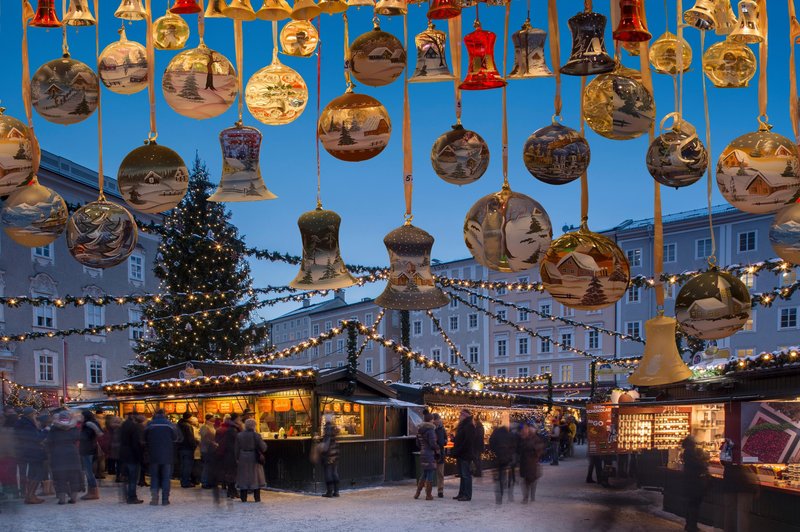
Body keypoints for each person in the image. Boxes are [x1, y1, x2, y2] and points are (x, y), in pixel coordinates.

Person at [145, 409, 182, 506]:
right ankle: (165, 499)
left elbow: (144, 438)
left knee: (154, 477)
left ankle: (154, 498)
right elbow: (176, 438)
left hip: (153, 455)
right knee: (166, 478)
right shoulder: (170, 425)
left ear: (155, 414)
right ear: (164, 414)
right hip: (167, 455)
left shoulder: (150, 425)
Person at [47, 410, 84, 504]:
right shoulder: (73, 428)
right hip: (72, 453)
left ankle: (62, 499)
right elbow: (78, 437)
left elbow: (49, 440)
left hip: (58, 453)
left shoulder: (54, 428)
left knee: (60, 476)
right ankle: (73, 498)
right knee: (74, 476)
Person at [15, 407, 46, 504]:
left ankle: (30, 496)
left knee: (32, 474)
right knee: (38, 474)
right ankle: (31, 496)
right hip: (33, 452)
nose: (36, 416)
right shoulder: (28, 424)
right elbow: (36, 438)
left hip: (28, 452)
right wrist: (46, 431)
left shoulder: (23, 423)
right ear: (31, 414)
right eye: (35, 414)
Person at [682, 436, 709, 532]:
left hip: (691, 482)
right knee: (694, 504)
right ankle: (692, 526)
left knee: (691, 504)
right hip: (695, 483)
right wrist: (704, 462)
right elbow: (699, 465)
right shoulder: (690, 453)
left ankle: (689, 524)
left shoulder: (687, 453)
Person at [235, 418, 267, 502]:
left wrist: (237, 458)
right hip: (254, 457)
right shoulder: (256, 435)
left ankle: (243, 497)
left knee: (243, 477)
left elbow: (236, 449)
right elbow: (263, 448)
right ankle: (257, 497)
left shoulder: (239, 435)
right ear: (253, 426)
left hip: (242, 457)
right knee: (255, 477)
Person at [118, 412, 145, 504]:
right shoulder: (134, 427)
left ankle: (125, 496)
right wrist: (139, 456)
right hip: (132, 455)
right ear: (134, 416)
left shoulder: (123, 425)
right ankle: (132, 497)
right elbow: (135, 443)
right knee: (133, 478)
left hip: (124, 454)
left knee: (126, 476)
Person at [215, 412, 242, 499]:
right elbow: (235, 442)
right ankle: (231, 491)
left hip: (229, 453)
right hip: (231, 454)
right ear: (235, 419)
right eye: (239, 419)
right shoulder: (232, 429)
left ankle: (232, 491)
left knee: (231, 473)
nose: (240, 420)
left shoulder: (232, 428)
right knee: (232, 473)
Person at [450, 409, 476, 502]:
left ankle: (467, 495)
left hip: (465, 454)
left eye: (460, 415)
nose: (459, 416)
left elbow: (468, 441)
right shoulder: (463, 425)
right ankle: (461, 493)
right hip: (461, 453)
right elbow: (461, 438)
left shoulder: (469, 426)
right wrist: (455, 439)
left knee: (466, 475)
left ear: (464, 416)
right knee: (462, 475)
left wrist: (459, 449)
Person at [413, 412, 439, 501]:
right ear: (431, 420)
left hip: (423, 453)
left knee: (424, 473)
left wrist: (423, 448)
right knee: (430, 473)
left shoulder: (420, 430)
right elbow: (432, 444)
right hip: (429, 454)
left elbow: (417, 443)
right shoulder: (430, 430)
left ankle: (417, 493)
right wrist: (437, 447)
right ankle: (428, 495)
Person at [488, 423, 516, 504]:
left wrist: (495, 452)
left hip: (497, 459)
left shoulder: (495, 433)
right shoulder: (509, 434)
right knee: (503, 476)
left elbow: (491, 443)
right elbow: (513, 446)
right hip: (506, 459)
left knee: (497, 478)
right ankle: (503, 488)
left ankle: (499, 496)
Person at [79, 410, 102, 500]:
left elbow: (86, 437)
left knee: (89, 472)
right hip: (90, 449)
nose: (80, 417)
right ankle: (91, 492)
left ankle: (93, 493)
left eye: (81, 416)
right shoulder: (92, 423)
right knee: (89, 471)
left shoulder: (88, 424)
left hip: (88, 450)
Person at [518, 423, 545, 503]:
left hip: (532, 463)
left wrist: (534, 451)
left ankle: (529, 497)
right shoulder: (523, 438)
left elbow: (539, 449)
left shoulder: (534, 439)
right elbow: (519, 449)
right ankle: (526, 497)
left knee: (531, 480)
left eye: (526, 429)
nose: (525, 430)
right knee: (525, 481)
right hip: (524, 463)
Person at [320, 414, 340, 498]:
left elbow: (327, 441)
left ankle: (329, 492)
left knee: (328, 473)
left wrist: (323, 447)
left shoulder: (327, 428)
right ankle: (336, 492)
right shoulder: (334, 427)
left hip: (329, 454)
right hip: (335, 453)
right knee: (335, 472)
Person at [177, 412, 197, 488]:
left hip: (180, 448)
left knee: (183, 465)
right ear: (189, 418)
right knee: (187, 466)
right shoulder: (188, 426)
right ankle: (185, 482)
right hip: (187, 448)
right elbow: (190, 438)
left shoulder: (179, 424)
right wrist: (194, 445)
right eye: (192, 417)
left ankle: (183, 481)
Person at [98, 415, 121, 483]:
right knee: (116, 463)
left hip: (114, 449)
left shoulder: (107, 429)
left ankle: (116, 474)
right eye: (115, 422)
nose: (117, 424)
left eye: (118, 422)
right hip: (112, 449)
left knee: (117, 463)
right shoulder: (106, 430)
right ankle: (116, 474)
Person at [199, 414, 217, 489]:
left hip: (211, 449)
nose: (214, 418)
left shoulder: (211, 426)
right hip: (206, 449)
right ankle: (205, 482)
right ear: (209, 418)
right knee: (206, 466)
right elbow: (204, 438)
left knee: (210, 466)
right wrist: (213, 443)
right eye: (213, 417)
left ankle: (210, 481)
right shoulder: (204, 427)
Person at [432, 413, 447, 499]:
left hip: (440, 453)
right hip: (432, 453)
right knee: (429, 473)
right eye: (436, 420)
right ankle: (428, 490)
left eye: (438, 419)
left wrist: (444, 442)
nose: (437, 421)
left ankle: (440, 490)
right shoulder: (430, 429)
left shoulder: (442, 429)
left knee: (440, 473)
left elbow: (445, 439)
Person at [472, 413, 485, 478]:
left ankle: (478, 472)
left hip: (477, 446)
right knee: (478, 459)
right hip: (479, 445)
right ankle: (478, 472)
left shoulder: (478, 428)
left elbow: (476, 436)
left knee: (477, 459)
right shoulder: (480, 427)